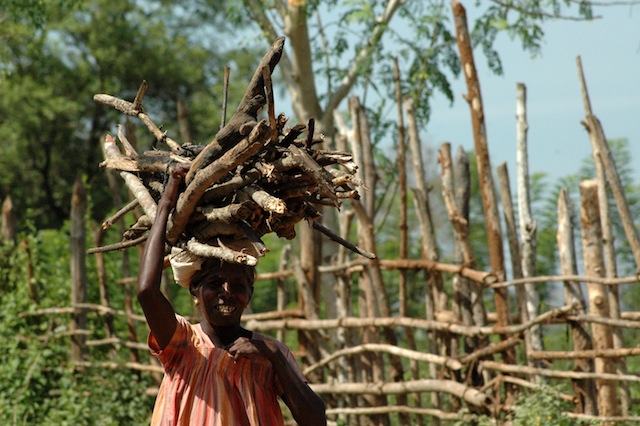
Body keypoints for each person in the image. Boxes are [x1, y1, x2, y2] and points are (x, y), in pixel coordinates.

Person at [137, 164, 327, 425]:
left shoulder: (270, 355)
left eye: (238, 286)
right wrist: (165, 205)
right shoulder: (182, 343)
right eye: (215, 283)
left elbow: (315, 421)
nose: (227, 293)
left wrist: (272, 353)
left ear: (249, 295)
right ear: (195, 290)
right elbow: (147, 291)